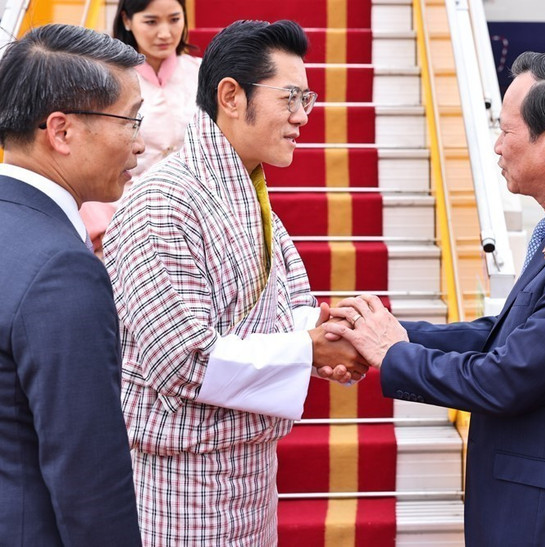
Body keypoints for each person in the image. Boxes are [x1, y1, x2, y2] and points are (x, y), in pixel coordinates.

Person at [325, 52, 545, 545]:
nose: (495, 148)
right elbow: (508, 334)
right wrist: (390, 335)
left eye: (506, 132)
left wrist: (392, 354)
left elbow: (507, 379)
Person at [104, 19, 367, 544]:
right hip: (180, 485)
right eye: (290, 98)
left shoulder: (249, 193)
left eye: (307, 99)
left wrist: (331, 333)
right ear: (230, 96)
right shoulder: (161, 201)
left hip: (249, 474)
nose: (302, 117)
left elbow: (290, 304)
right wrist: (305, 349)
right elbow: (184, 361)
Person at [0, 23, 144, 545]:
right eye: (130, 120)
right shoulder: (62, 268)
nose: (140, 142)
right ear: (61, 131)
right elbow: (88, 474)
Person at [81, 0, 200, 254]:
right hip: (122, 216)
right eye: (151, 21)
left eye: (174, 19)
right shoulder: (104, 78)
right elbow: (90, 155)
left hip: (192, 216)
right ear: (126, 19)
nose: (165, 33)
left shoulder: (200, 73)